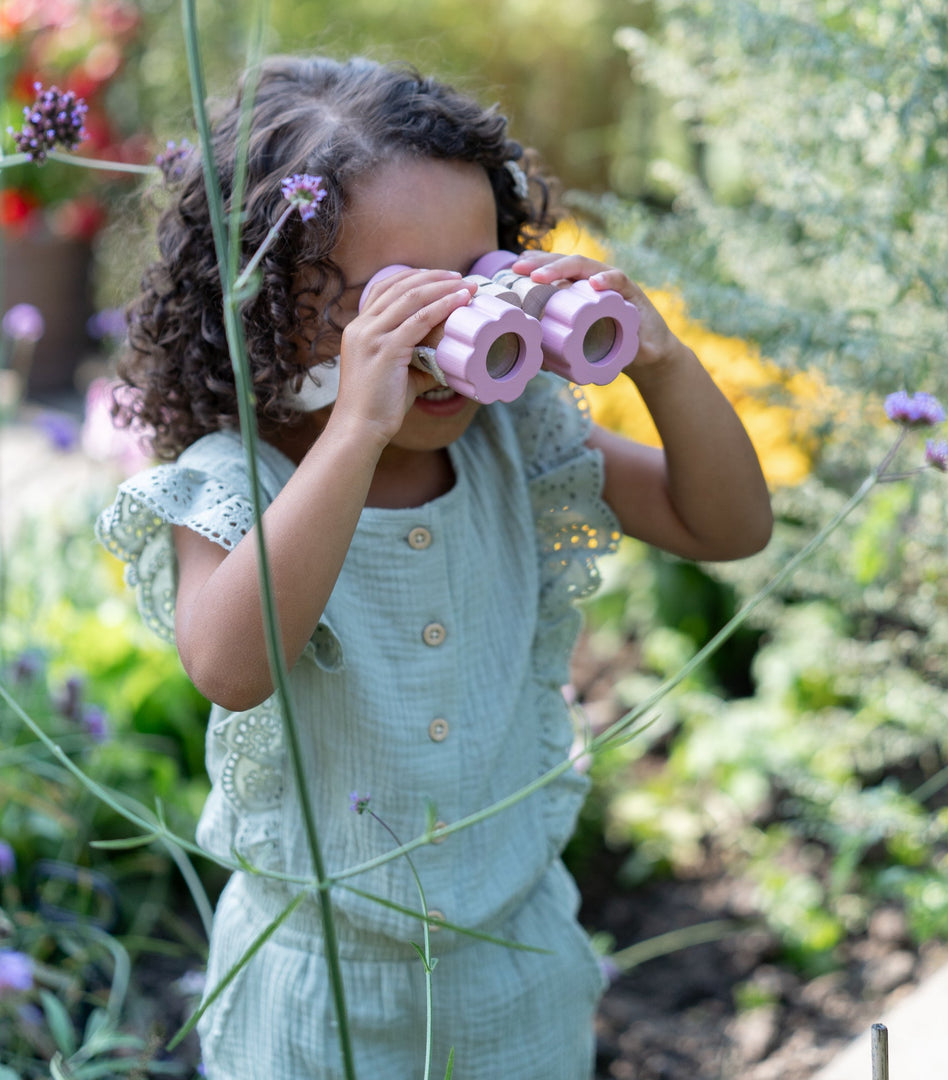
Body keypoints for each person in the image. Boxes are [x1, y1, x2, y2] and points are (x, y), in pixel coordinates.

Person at [96, 54, 773, 1080]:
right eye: (397, 302)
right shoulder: (236, 482)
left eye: (478, 279)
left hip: (517, 973)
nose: (454, 329)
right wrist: (356, 430)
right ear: (263, 305)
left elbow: (725, 525)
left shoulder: (516, 443)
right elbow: (233, 667)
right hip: (315, 990)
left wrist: (661, 360)